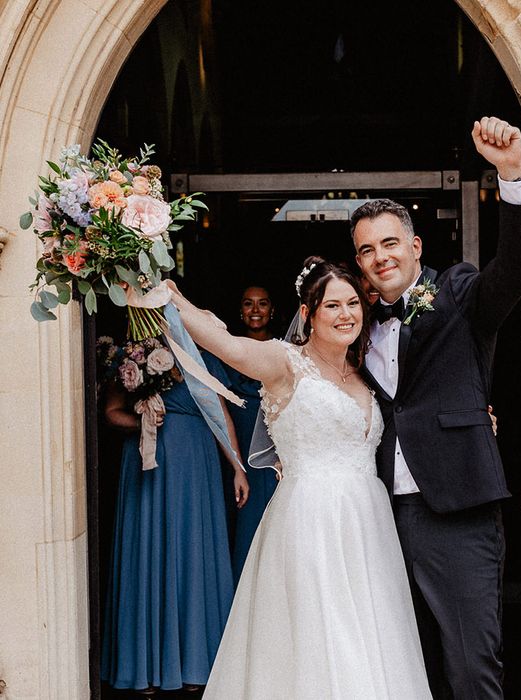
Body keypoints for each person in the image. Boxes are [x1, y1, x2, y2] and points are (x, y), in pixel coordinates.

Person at [167, 260, 432, 699]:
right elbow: (225, 343)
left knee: (372, 637)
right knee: (320, 639)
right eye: (333, 305)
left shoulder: (366, 372)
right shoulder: (283, 363)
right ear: (308, 313)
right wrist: (169, 297)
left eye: (352, 303)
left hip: (369, 527)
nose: (346, 313)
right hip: (311, 522)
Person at [351, 115, 521, 698]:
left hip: (455, 511)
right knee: (406, 668)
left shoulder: (458, 292)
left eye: (389, 243)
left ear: (415, 246)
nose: (380, 257)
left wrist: (511, 174)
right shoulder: (352, 329)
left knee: (470, 664)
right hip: (378, 517)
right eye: (366, 251)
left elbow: (514, 269)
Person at [101, 350, 249, 694]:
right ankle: (146, 668)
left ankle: (197, 663)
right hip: (148, 471)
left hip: (195, 468)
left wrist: (238, 468)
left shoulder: (203, 358)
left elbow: (220, 415)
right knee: (148, 557)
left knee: (193, 556)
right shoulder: (130, 356)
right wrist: (142, 421)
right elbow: (109, 413)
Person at [225, 285, 279, 584]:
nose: (255, 310)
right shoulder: (228, 352)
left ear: (273, 310)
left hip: (274, 452)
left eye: (262, 303)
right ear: (240, 310)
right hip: (240, 446)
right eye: (248, 304)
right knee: (242, 524)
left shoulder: (284, 351)